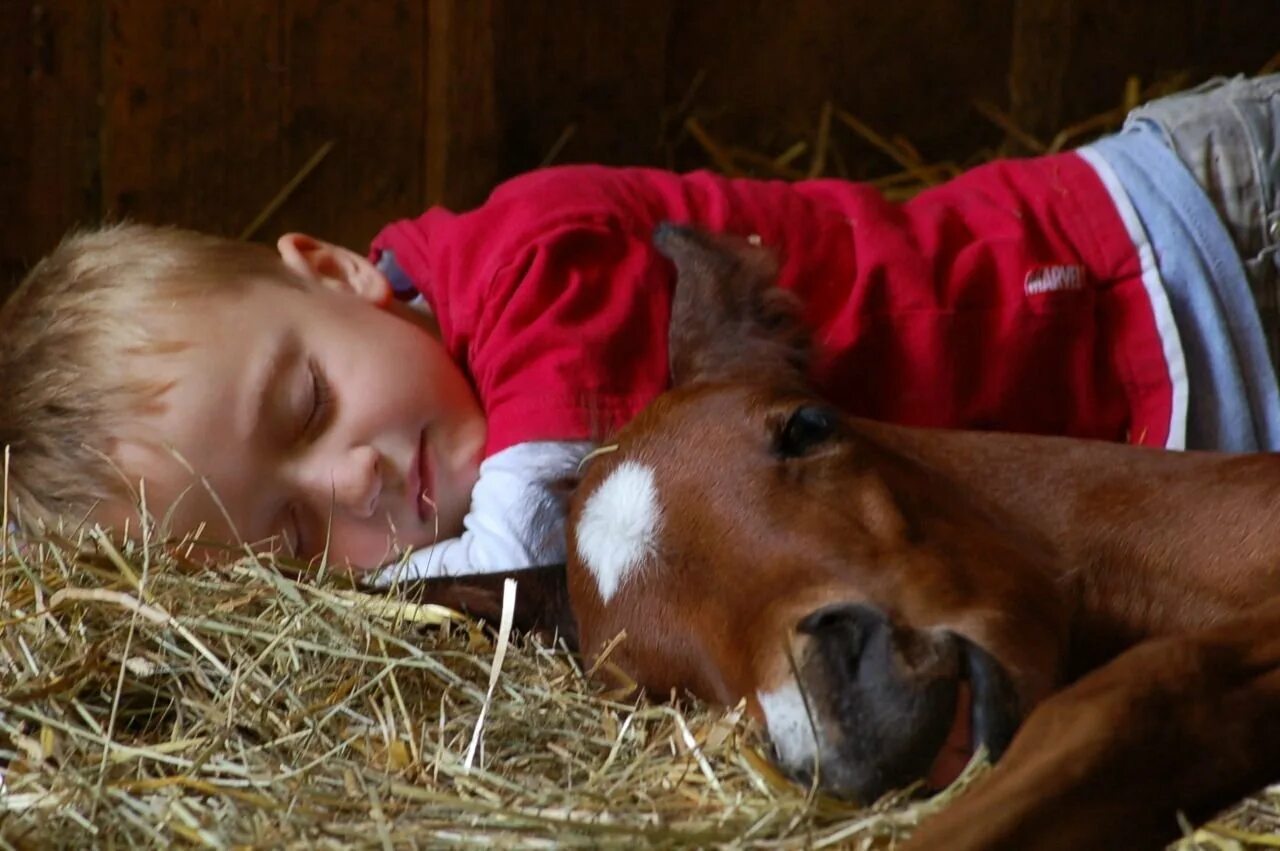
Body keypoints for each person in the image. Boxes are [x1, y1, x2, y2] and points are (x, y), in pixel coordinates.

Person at [2, 75, 1278, 587]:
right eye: (291, 537)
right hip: (1163, 465)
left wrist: (409, 616)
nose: (357, 483)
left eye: (307, 409)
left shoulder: (533, 254)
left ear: (335, 272)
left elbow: (539, 525)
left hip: (1177, 261)